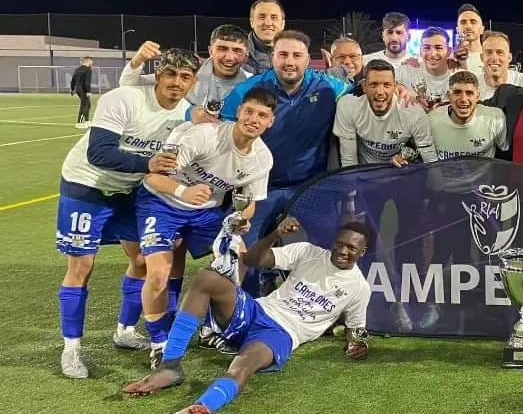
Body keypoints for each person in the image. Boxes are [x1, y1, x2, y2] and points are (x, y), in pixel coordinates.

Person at [122, 216, 374, 414]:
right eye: (339, 244)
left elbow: (355, 328)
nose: (343, 251)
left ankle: (201, 408)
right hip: (256, 310)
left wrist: (356, 343)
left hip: (280, 334)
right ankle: (170, 366)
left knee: (243, 366)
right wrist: (274, 234)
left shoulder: (359, 288)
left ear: (362, 252)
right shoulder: (308, 252)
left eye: (351, 248)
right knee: (207, 278)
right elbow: (252, 259)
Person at [54, 48, 199, 378]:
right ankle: (71, 349)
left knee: (142, 261)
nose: (176, 83)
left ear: (193, 82)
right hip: (87, 184)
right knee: (82, 265)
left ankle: (125, 330)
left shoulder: (188, 114)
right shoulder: (125, 98)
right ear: (158, 75)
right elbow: (99, 152)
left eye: (185, 77)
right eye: (171, 74)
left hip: (132, 190)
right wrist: (147, 164)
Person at [134, 87, 276, 367]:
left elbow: (249, 201)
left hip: (205, 212)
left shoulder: (263, 158)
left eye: (262, 115)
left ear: (271, 122)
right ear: (239, 112)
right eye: (249, 111)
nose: (253, 119)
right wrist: (182, 191)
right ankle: (159, 342)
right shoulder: (205, 136)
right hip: (162, 202)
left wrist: (241, 219)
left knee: (239, 259)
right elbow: (152, 178)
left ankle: (212, 328)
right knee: (159, 273)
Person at [219, 29, 350, 293]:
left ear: (307, 59)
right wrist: (193, 113)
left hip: (309, 186)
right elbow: (219, 126)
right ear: (272, 57)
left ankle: (315, 303)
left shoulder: (329, 87)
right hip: (259, 187)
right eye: (283, 54)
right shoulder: (248, 89)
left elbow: (361, 95)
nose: (289, 61)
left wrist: (401, 90)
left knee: (323, 245)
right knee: (245, 248)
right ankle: (246, 305)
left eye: (297, 55)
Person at [120, 24, 253, 114]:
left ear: (246, 55)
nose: (229, 57)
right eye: (222, 49)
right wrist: (137, 61)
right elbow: (128, 83)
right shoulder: (187, 74)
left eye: (237, 51)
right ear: (210, 50)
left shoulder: (251, 83)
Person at [334, 59, 437, 167]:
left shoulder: (413, 112)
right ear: (364, 86)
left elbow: (430, 159)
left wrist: (407, 156)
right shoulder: (348, 106)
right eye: (373, 84)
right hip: (364, 173)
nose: (380, 92)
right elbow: (349, 160)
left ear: (395, 87)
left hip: (399, 173)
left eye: (387, 85)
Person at [428, 70, 508, 158]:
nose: (463, 99)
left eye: (469, 93)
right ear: (448, 96)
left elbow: (505, 153)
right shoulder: (431, 120)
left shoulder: (495, 118)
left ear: (477, 96)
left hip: (484, 172)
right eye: (457, 92)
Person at [399, 28, 454, 110]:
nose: (432, 54)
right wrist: (399, 88)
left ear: (449, 51)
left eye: (438, 48)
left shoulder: (458, 76)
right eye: (427, 48)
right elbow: (382, 82)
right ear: (420, 51)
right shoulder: (407, 70)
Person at [477, 31, 523, 101]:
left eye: (500, 52)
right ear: (482, 57)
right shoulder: (474, 86)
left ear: (509, 57)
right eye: (489, 52)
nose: (494, 58)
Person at [244, 0, 286, 74]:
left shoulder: (296, 55)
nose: (268, 23)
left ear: (283, 24)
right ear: (252, 22)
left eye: (274, 18)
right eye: (261, 17)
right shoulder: (238, 55)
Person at [454, 3, 485, 75]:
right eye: (463, 22)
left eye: (473, 22)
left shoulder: (491, 58)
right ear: (457, 30)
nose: (468, 26)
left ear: (482, 29)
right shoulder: (451, 60)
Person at [70, 56, 94, 127]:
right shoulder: (88, 69)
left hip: (77, 89)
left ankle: (87, 121)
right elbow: (87, 82)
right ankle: (79, 123)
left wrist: (72, 89)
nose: (92, 63)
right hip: (83, 89)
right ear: (88, 61)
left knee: (88, 104)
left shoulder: (77, 69)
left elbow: (73, 80)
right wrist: (88, 91)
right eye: (91, 61)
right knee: (85, 105)